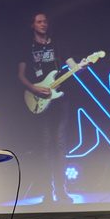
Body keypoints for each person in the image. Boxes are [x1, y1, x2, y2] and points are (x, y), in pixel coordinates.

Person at [17, 12, 86, 204]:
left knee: (60, 144)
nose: (43, 24)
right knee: (46, 145)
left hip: (60, 99)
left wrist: (81, 66)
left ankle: (61, 192)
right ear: (32, 25)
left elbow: (71, 65)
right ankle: (47, 193)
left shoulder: (59, 44)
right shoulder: (27, 46)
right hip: (39, 99)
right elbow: (21, 75)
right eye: (39, 21)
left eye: (45, 21)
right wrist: (34, 88)